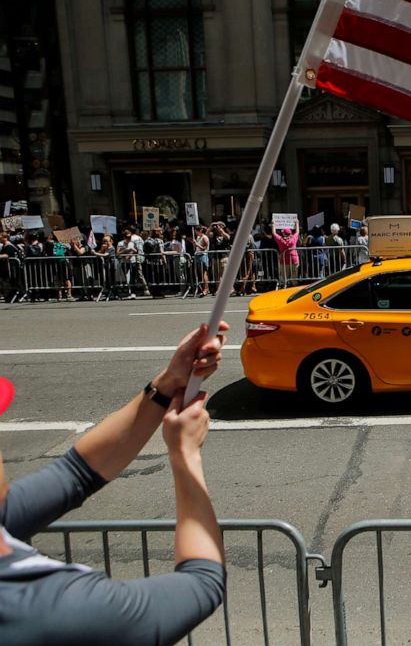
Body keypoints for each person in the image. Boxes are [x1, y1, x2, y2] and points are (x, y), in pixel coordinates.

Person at [0, 322, 230, 644]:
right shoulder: (52, 607)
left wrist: (167, 384)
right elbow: (203, 581)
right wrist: (185, 453)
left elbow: (76, 474)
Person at [275, 221, 300, 287]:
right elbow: (297, 232)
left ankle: (285, 288)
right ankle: (294, 288)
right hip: (294, 260)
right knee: (294, 276)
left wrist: (273, 224)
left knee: (284, 276)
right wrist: (297, 223)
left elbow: (274, 233)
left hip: (284, 261)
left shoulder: (281, 240)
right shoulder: (293, 239)